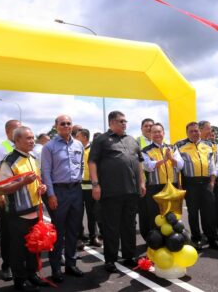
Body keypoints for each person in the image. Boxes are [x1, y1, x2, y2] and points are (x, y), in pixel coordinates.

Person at [89, 111, 146, 273]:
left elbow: (139, 162)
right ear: (111, 123)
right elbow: (92, 162)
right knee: (111, 227)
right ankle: (110, 260)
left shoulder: (132, 140)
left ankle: (129, 256)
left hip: (131, 192)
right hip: (111, 192)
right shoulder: (101, 140)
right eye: (121, 121)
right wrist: (95, 185)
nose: (124, 124)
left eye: (125, 121)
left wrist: (142, 182)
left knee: (129, 225)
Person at [0, 126, 47, 291]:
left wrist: (42, 188)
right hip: (18, 214)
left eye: (33, 138)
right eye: (28, 138)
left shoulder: (33, 158)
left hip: (35, 210)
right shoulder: (9, 161)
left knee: (34, 246)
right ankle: (20, 280)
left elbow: (37, 181)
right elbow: (2, 188)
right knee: (18, 249)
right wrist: (22, 183)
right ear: (17, 140)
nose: (32, 141)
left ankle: (32, 275)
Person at [41, 115, 85, 282]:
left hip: (76, 191)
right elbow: (46, 172)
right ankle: (56, 269)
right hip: (58, 192)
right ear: (56, 126)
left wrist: (77, 178)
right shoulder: (49, 147)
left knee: (74, 230)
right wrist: (51, 194)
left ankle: (71, 265)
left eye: (69, 123)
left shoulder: (79, 144)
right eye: (62, 124)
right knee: (58, 232)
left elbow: (80, 164)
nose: (66, 126)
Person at [176, 122, 218, 251]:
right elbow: (177, 168)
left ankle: (212, 239)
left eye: (196, 131)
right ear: (187, 133)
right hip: (190, 184)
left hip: (206, 183)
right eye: (191, 131)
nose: (194, 133)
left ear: (199, 131)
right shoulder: (180, 146)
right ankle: (196, 239)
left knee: (209, 213)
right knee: (193, 214)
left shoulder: (208, 145)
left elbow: (212, 165)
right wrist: (180, 186)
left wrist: (212, 182)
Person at [0, 119, 21, 281]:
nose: (20, 131)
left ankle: (21, 265)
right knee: (8, 233)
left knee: (23, 232)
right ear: (8, 131)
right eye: (17, 128)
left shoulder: (23, 146)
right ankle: (7, 265)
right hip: (7, 197)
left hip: (24, 197)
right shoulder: (2, 148)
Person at [141, 123, 184, 240]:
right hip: (155, 187)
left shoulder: (172, 148)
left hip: (172, 186)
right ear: (150, 135)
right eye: (154, 132)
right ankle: (156, 241)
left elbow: (180, 165)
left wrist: (171, 158)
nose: (157, 134)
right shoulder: (145, 150)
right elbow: (148, 166)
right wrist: (164, 160)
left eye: (159, 131)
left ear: (163, 133)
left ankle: (173, 240)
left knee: (172, 216)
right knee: (156, 216)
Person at [75, 128, 102, 247]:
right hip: (77, 188)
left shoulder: (93, 150)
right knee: (77, 214)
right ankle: (79, 238)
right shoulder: (74, 150)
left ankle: (93, 236)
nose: (75, 138)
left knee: (92, 214)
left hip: (91, 187)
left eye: (78, 136)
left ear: (84, 138)